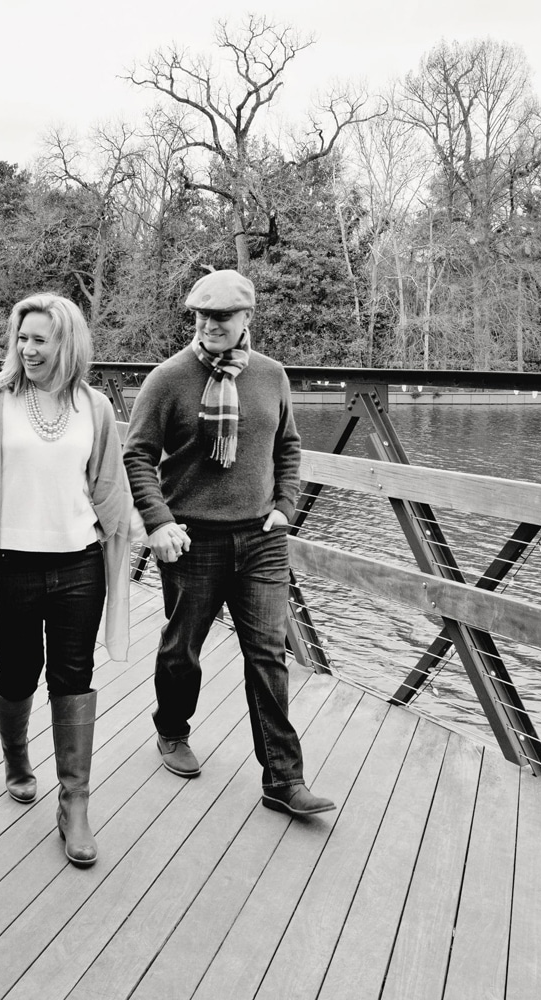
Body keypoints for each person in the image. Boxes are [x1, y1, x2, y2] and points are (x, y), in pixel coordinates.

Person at [123, 269, 335, 817]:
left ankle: (283, 780)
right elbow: (137, 456)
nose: (211, 325)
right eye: (202, 315)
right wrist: (159, 521)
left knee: (267, 655)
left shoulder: (271, 375)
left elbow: (288, 447)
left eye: (222, 316)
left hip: (261, 539)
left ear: (246, 319)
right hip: (192, 540)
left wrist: (286, 506)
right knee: (182, 650)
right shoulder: (169, 379)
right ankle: (171, 728)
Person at [0, 293, 138, 868]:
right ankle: (16, 757)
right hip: (10, 563)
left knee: (74, 674)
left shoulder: (93, 406)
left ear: (66, 343)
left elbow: (109, 485)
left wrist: (148, 533)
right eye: (21, 338)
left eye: (40, 339)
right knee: (19, 669)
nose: (28, 349)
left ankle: (74, 802)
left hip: (78, 563)